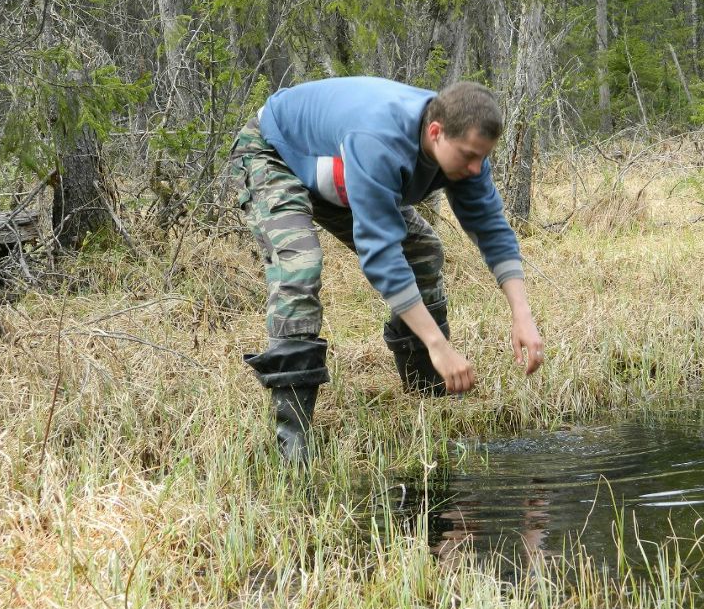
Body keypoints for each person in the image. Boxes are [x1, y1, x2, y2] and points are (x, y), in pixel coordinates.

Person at [230, 76, 544, 464]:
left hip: (337, 166)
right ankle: (293, 444)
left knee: (422, 250)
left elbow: (491, 228)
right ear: (435, 132)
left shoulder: (463, 146)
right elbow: (379, 255)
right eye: (468, 156)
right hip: (274, 150)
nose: (476, 167)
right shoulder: (379, 140)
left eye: (483, 156)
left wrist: (522, 313)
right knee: (300, 266)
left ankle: (427, 391)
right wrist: (438, 344)